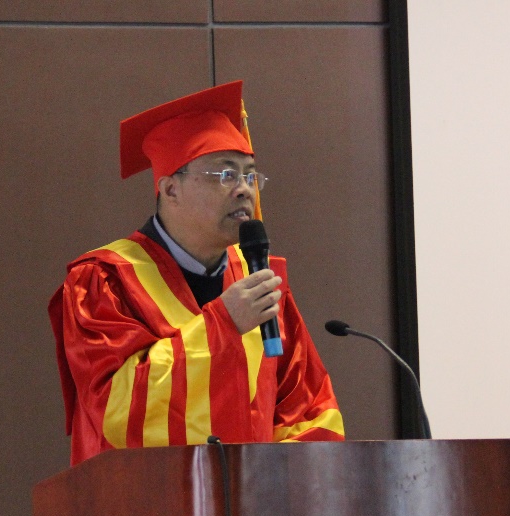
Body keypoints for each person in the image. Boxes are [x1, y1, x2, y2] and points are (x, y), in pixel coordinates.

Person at [49, 81, 344, 465]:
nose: (245, 190)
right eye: (225, 175)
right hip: (147, 499)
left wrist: (274, 482)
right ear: (171, 189)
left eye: (250, 176)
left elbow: (309, 409)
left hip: (252, 500)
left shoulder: (259, 281)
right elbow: (117, 411)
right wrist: (223, 325)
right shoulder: (105, 281)